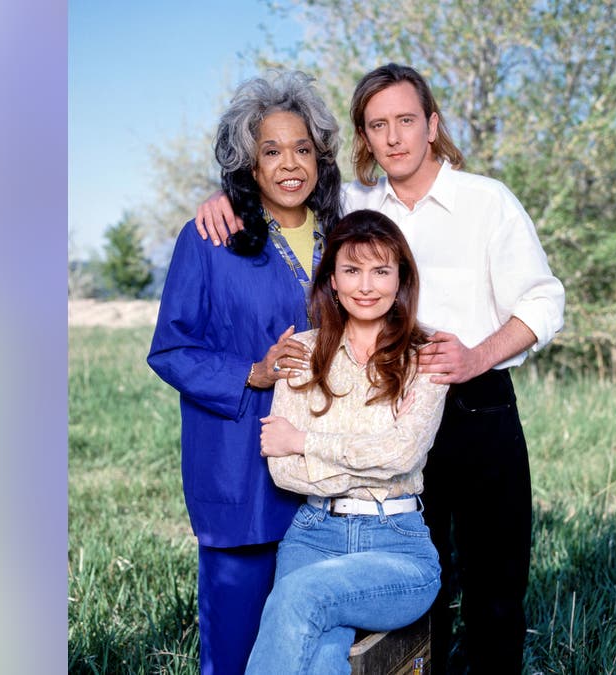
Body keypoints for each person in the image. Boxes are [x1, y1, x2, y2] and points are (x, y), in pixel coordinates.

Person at [196, 63, 566, 673]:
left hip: (471, 400)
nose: (393, 137)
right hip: (378, 405)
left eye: (405, 121)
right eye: (376, 126)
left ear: (432, 125)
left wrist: (476, 356)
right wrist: (228, 197)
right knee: (419, 601)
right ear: (364, 138)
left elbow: (544, 300)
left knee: (494, 586)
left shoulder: (486, 201)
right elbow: (284, 192)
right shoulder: (353, 204)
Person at [146, 69, 342, 675]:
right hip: (241, 470)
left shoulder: (345, 239)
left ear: (320, 158)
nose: (290, 164)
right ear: (248, 165)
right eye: (271, 150)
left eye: (303, 148)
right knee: (234, 649)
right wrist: (250, 374)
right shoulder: (209, 238)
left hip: (330, 470)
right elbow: (171, 350)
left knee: (315, 645)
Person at [244, 209, 447, 673]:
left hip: (397, 545)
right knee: (321, 654)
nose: (366, 285)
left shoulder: (427, 355)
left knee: (301, 594)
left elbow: (403, 454)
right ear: (332, 280)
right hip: (313, 536)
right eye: (351, 270)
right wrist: (357, 452)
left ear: (401, 279)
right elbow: (283, 468)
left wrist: (304, 439)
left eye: (381, 271)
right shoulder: (302, 352)